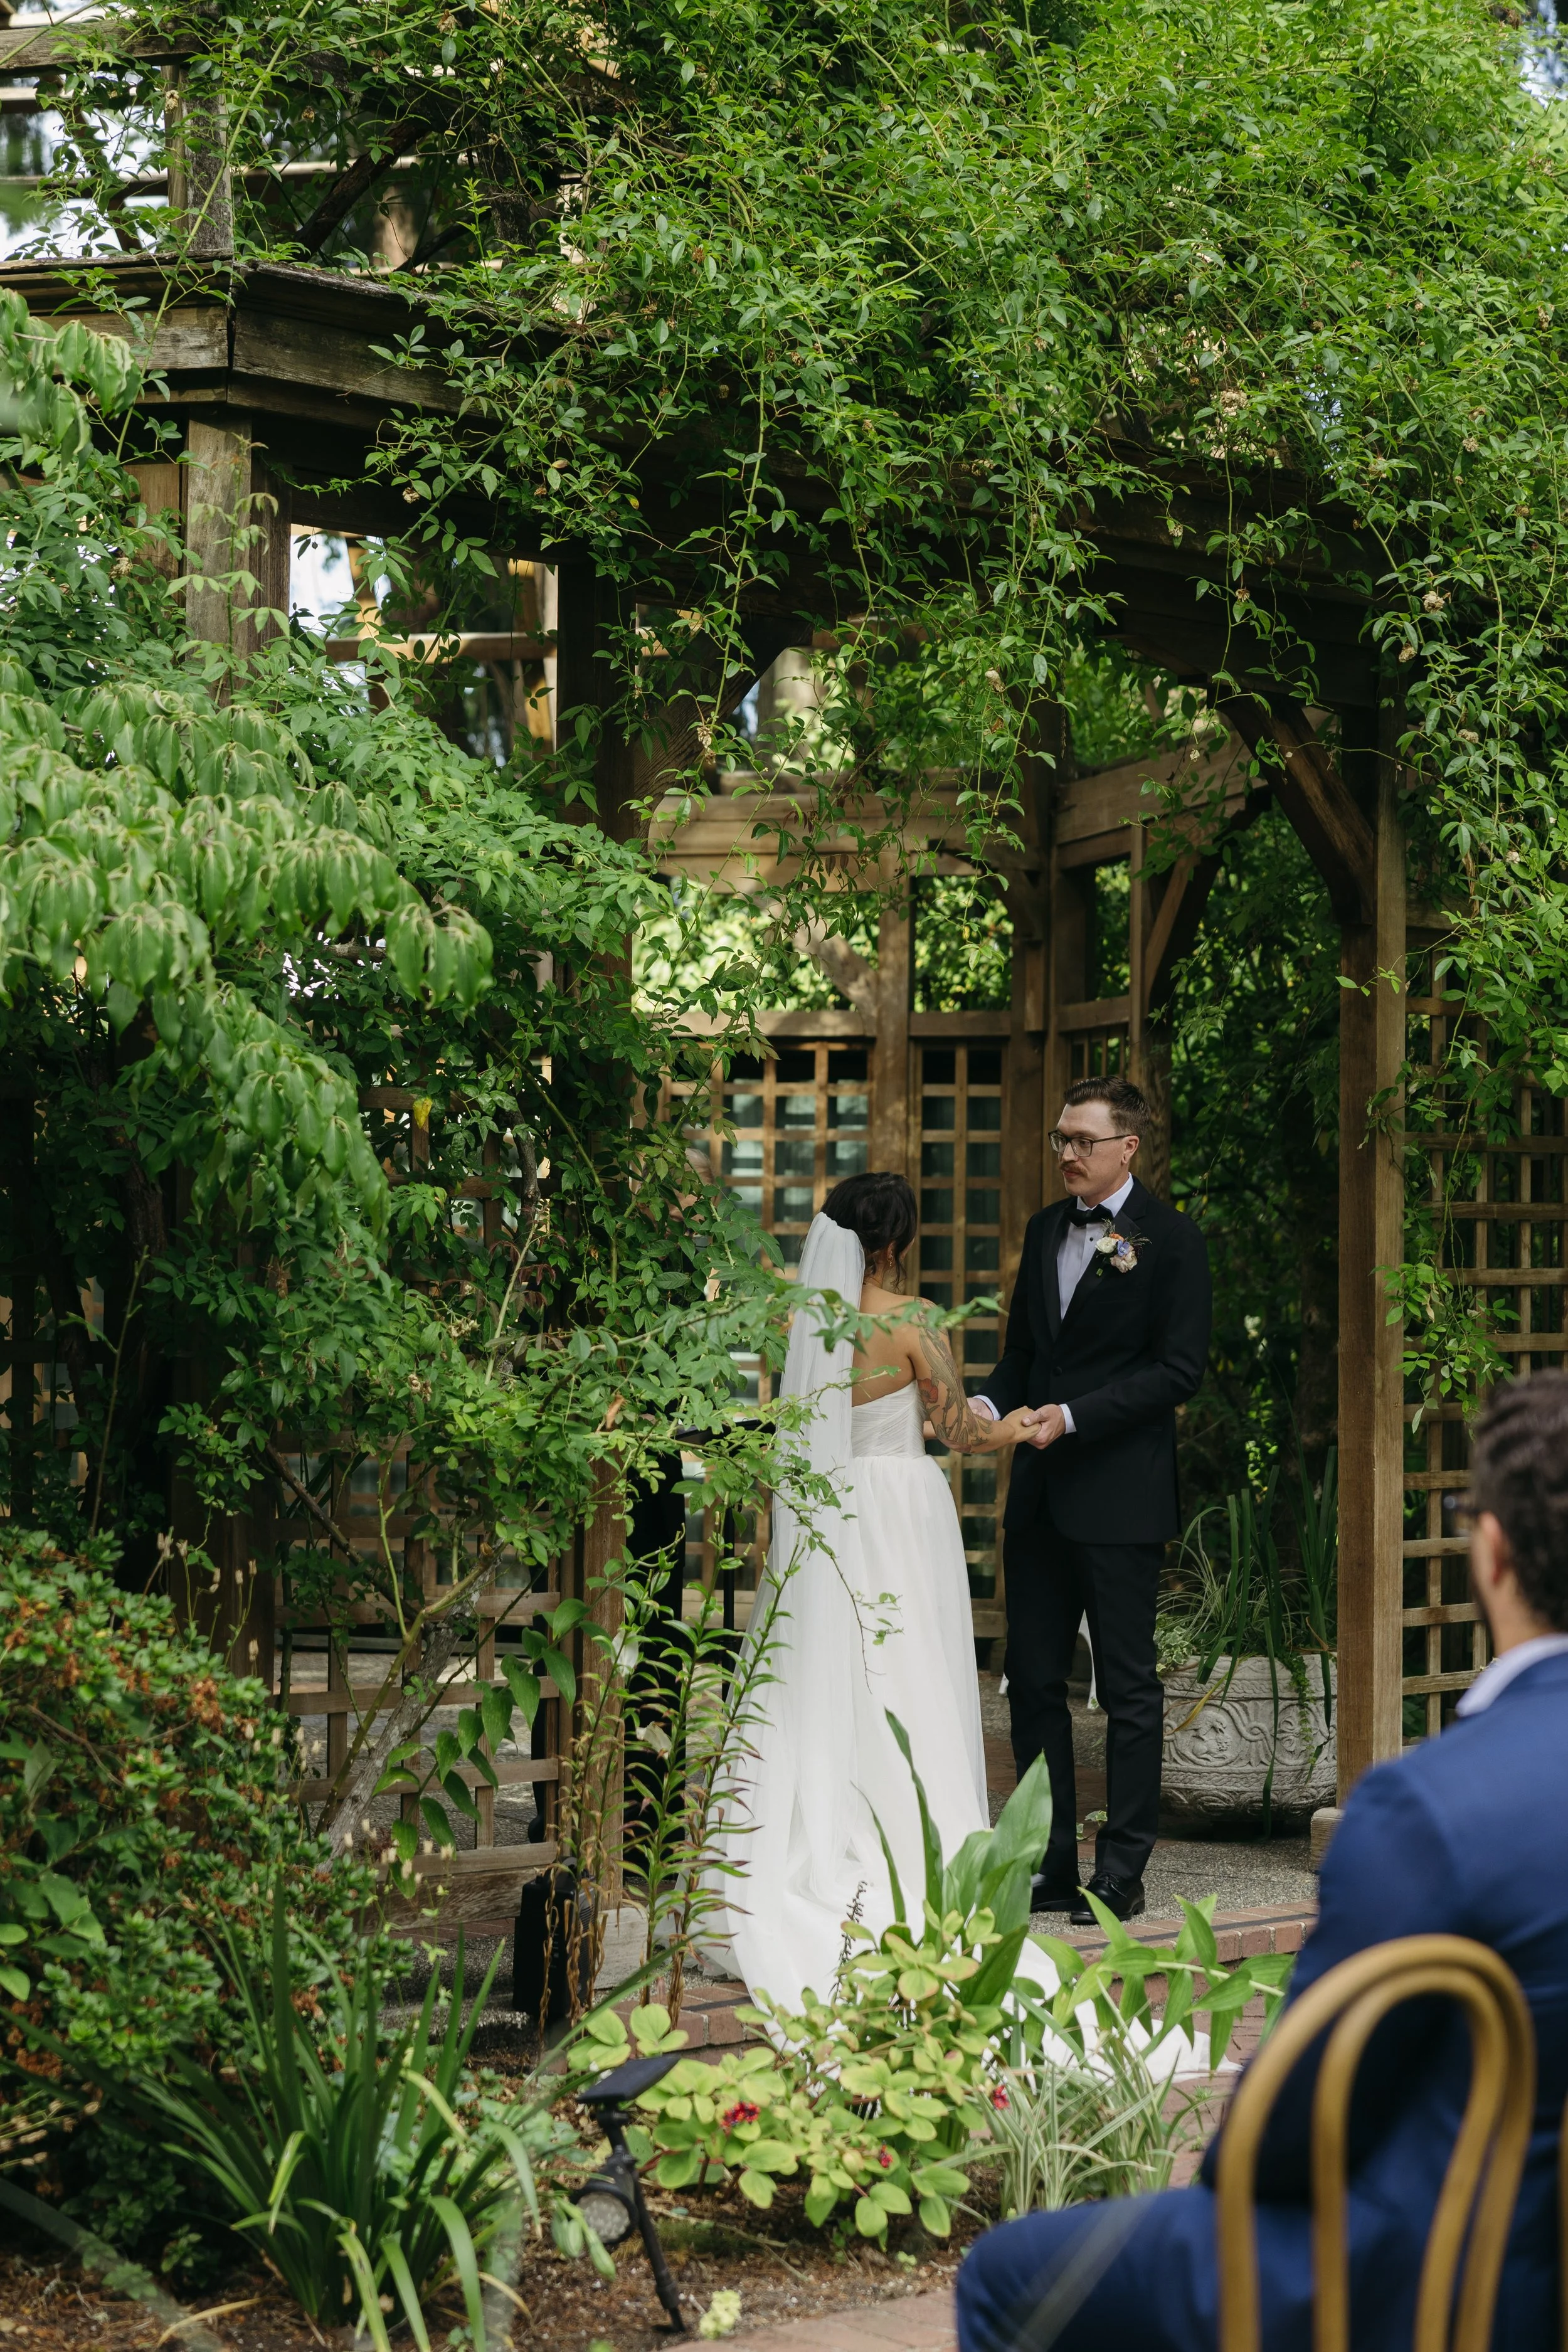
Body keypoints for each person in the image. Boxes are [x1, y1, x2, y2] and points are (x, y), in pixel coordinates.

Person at [956, 1369, 1568, 2352]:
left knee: (1004, 2275)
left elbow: (1288, 2133)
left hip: (1436, 2275)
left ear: (1491, 1549)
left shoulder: (1432, 1809)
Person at [700, 1172, 1038, 2015]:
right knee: (908, 1667)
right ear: (898, 1241)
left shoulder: (803, 1322)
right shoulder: (913, 1319)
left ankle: (800, 1843)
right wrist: (1022, 1423)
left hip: (828, 1510)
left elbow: (800, 1422)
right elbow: (961, 1430)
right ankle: (917, 1851)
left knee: (825, 1670)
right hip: (899, 1512)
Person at [972, 1076, 1212, 1924]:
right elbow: (1024, 1356)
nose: (1067, 1153)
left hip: (1119, 1499)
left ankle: (1122, 1869)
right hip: (1037, 1499)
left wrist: (1070, 1418)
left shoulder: (1172, 1241)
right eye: (1060, 1138)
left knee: (1128, 1687)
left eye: (1082, 1139)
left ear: (1128, 1147)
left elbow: (1178, 1372)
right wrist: (986, 1408)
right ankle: (1048, 1860)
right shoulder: (1043, 1230)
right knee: (1033, 1682)